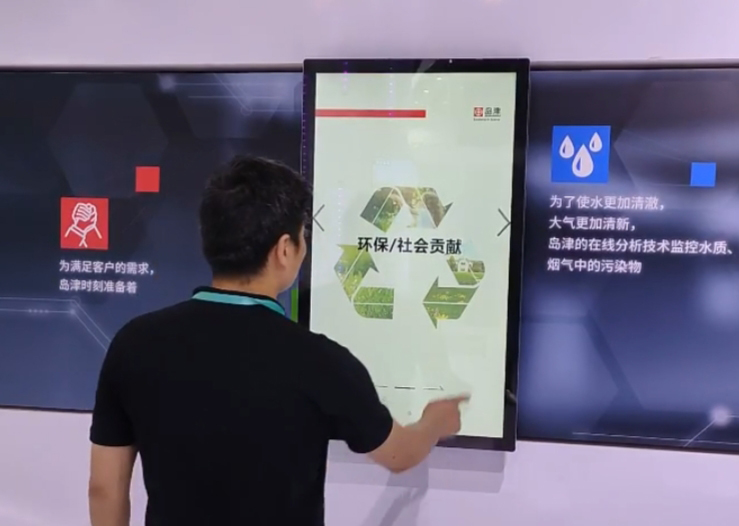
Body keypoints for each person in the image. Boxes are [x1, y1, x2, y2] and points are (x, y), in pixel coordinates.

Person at [87, 155, 469, 526]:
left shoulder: (134, 344)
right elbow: (398, 454)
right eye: (303, 237)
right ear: (285, 249)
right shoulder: (319, 360)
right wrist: (434, 422)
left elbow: (104, 489)